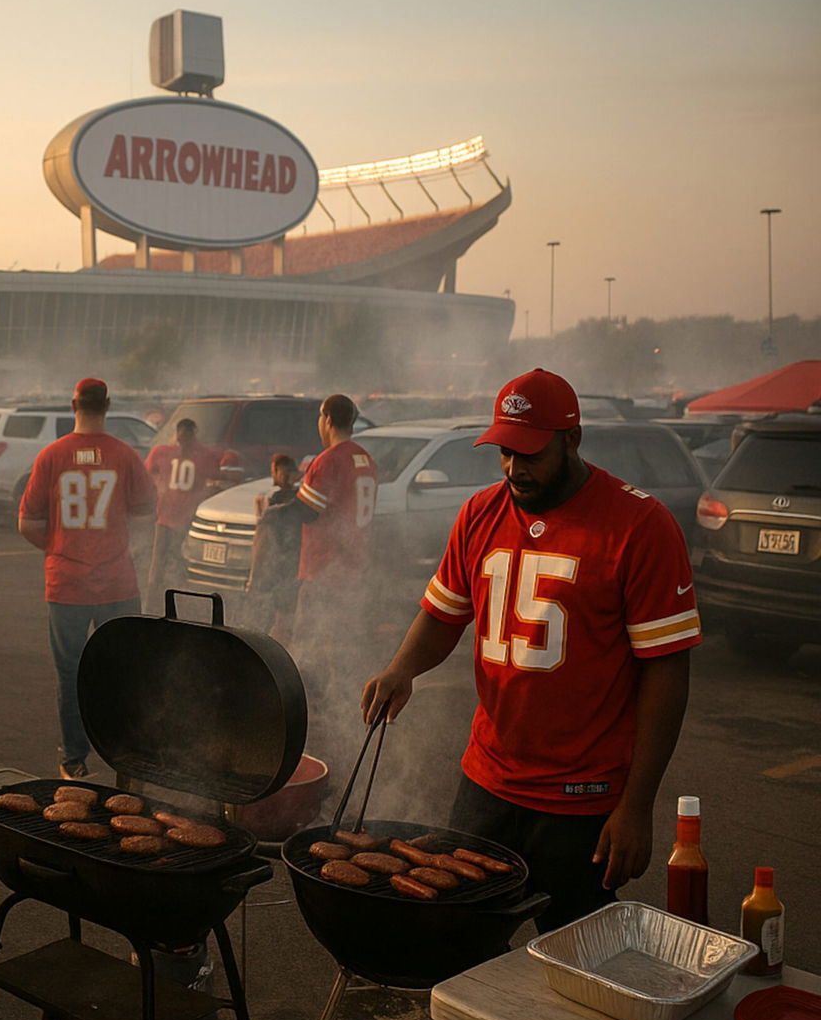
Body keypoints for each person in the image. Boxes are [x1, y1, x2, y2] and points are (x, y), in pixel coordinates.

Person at [361, 368, 700, 931]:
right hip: (487, 781)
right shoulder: (479, 513)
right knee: (457, 943)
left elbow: (667, 670)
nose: (515, 468)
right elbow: (444, 613)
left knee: (576, 961)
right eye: (504, 453)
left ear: (572, 439)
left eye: (530, 454)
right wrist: (402, 669)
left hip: (582, 797)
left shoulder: (640, 525)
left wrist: (636, 806)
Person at [19, 378, 156, 779]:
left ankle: (74, 760)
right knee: (122, 673)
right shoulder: (126, 455)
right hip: (118, 581)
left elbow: (27, 522)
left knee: (70, 672)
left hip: (67, 582)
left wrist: (59, 547)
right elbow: (147, 514)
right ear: (108, 406)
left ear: (73, 404)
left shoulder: (52, 455)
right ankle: (124, 755)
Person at [288, 395, 379, 673]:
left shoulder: (328, 460)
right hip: (354, 563)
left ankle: (304, 697)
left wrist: (273, 511)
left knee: (306, 641)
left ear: (327, 419)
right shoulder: (366, 458)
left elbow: (307, 511)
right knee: (342, 640)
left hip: (323, 566)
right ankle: (341, 694)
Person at [143, 417, 224, 607]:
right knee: (169, 563)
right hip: (176, 516)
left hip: (180, 517)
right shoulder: (202, 455)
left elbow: (148, 475)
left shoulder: (163, 452)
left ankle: (163, 603)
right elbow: (215, 475)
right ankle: (165, 603)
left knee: (171, 563)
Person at [245, 453, 304, 637]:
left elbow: (264, 542)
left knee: (277, 616)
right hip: (296, 561)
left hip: (278, 564)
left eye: (275, 471)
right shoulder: (301, 500)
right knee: (287, 612)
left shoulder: (275, 503)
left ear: (279, 473)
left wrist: (254, 579)